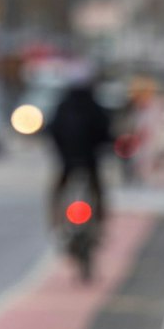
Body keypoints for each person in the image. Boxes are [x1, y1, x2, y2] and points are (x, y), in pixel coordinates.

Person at [45, 70, 113, 229]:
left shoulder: (63, 106)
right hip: (89, 159)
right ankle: (101, 218)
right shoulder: (94, 106)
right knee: (97, 190)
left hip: (68, 160)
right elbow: (105, 131)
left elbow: (53, 130)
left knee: (58, 190)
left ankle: (55, 219)